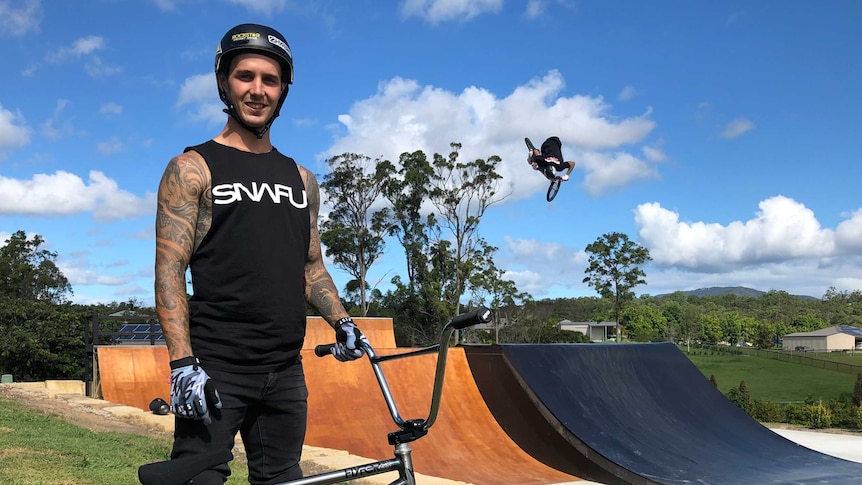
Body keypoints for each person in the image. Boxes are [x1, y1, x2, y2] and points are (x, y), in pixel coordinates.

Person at [153, 23, 366, 485]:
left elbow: (312, 267)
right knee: (197, 480)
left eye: (270, 80)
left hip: (285, 372)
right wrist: (181, 365)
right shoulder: (192, 168)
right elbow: (169, 270)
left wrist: (343, 321)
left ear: (283, 90)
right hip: (215, 367)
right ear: (223, 83)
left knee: (282, 480)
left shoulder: (302, 179)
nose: (257, 90)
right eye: (245, 76)